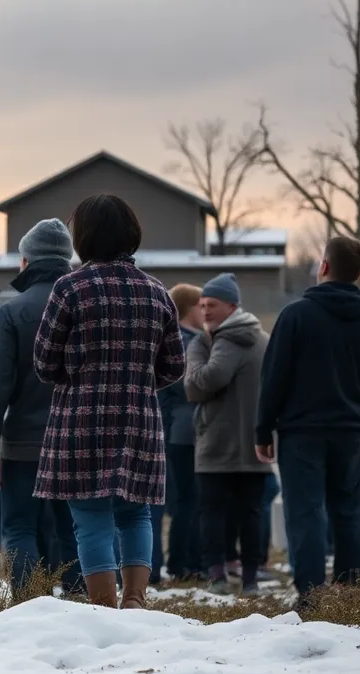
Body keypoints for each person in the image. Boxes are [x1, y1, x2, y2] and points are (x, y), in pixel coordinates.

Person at [33, 195, 185, 609]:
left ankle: (103, 606)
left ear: (83, 236)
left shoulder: (69, 288)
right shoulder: (157, 292)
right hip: (139, 418)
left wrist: (80, 378)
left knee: (90, 518)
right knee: (136, 513)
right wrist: (136, 381)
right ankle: (135, 600)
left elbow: (44, 363)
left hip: (81, 420)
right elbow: (175, 366)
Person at [257, 236, 360, 600]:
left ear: (324, 266)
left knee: (306, 512)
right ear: (358, 274)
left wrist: (263, 429)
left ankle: (311, 596)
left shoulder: (296, 316)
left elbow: (274, 377)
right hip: (350, 431)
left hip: (300, 431)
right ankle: (348, 591)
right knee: (346, 511)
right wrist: (356, 409)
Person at [0, 218, 80, 594]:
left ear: (26, 261)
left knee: (19, 527)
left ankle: (26, 602)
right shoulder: (84, 307)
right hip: (75, 439)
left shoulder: (11, 312)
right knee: (74, 529)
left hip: (22, 440)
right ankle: (80, 601)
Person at [183, 273, 271, 596]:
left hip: (216, 442)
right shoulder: (263, 338)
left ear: (232, 306)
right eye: (203, 304)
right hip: (254, 441)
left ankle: (218, 577)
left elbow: (206, 381)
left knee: (214, 513)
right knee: (250, 513)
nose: (206, 311)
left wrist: (196, 376)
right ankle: (250, 579)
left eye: (213, 304)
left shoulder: (213, 341)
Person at [157, 284, 202, 581]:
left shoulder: (177, 340)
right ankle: (185, 563)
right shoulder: (187, 344)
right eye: (201, 305)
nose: (205, 311)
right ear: (188, 308)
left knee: (186, 500)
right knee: (189, 499)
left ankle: (184, 562)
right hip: (184, 432)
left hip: (177, 430)